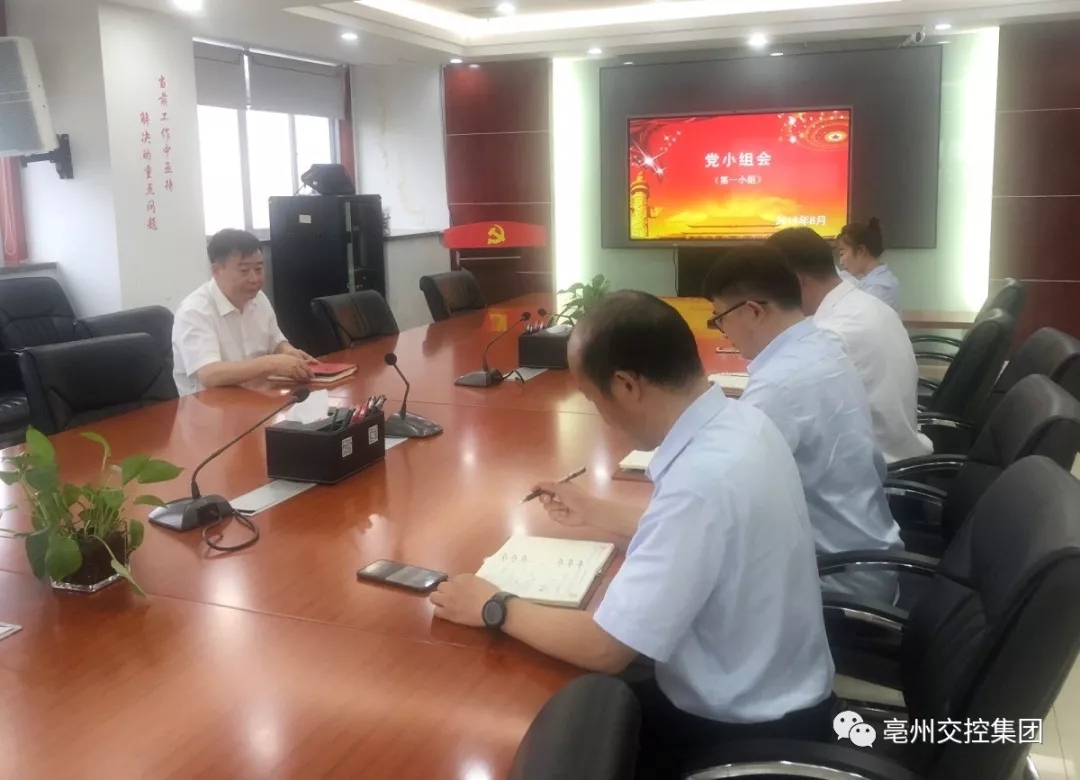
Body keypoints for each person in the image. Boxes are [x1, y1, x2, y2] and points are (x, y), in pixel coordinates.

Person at [430, 291, 836, 779]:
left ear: (625, 385)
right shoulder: (740, 422)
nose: (600, 415)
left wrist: (493, 605)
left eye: (593, 398)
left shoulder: (701, 482)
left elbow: (606, 648)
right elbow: (704, 537)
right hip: (775, 683)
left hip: (741, 731)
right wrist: (595, 510)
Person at [702, 247, 902, 603]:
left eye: (720, 318)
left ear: (754, 310)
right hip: (868, 557)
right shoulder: (821, 345)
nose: (722, 331)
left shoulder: (779, 384)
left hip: (834, 581)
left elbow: (722, 501)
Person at [766, 227, 932, 463]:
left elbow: (785, 418)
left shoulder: (831, 333)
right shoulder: (864, 304)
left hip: (877, 468)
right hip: (900, 450)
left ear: (796, 281)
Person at [172, 229, 314, 395]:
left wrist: (288, 352)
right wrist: (271, 364)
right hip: (211, 406)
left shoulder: (259, 299)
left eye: (259, 269)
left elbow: (276, 343)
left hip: (259, 398)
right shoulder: (194, 311)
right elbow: (209, 375)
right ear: (216, 271)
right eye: (244, 271)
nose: (254, 279)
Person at [837, 218, 901, 315]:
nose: (841, 262)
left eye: (842, 254)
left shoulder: (878, 287)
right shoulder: (873, 281)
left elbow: (856, 318)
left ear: (861, 251)